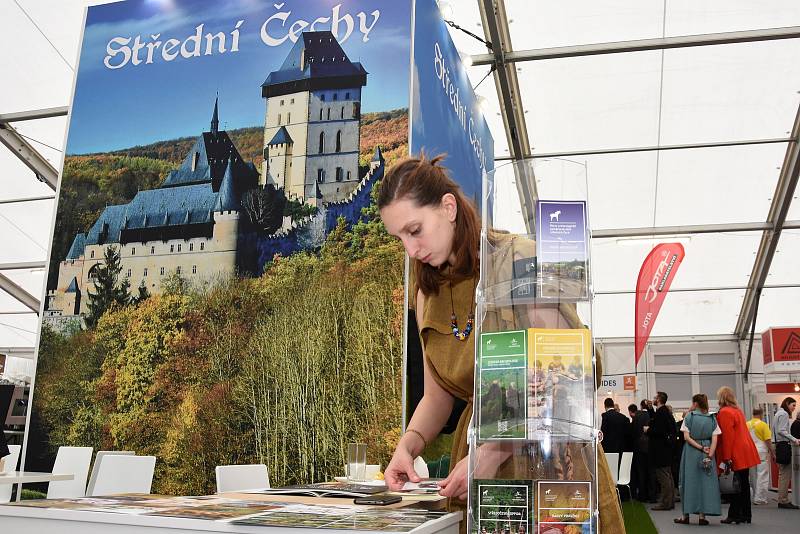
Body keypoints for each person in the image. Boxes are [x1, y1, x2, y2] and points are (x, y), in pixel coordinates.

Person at [377, 155, 625, 533]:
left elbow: (569, 374)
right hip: (479, 468)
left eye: (415, 230)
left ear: (448, 207)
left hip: (552, 463)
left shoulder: (520, 260)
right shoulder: (425, 294)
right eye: (400, 239)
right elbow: (437, 396)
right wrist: (409, 446)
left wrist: (493, 452)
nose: (411, 251)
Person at [715, 386, 760, 524]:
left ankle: (734, 514)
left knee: (734, 485)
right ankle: (746, 514)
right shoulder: (737, 411)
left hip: (735, 452)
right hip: (745, 450)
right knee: (744, 484)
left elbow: (728, 437)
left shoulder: (724, 412)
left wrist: (726, 458)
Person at [674, 394, 721, 525]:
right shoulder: (712, 418)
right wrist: (710, 455)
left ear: (695, 403)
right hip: (707, 451)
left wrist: (700, 447)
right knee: (705, 484)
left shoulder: (689, 417)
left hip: (691, 452)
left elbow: (686, 438)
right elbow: (715, 439)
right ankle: (702, 516)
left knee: (687, 482)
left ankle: (685, 515)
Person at [648, 391, 676, 510]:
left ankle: (665, 503)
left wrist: (647, 430)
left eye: (655, 398)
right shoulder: (664, 412)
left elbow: (658, 431)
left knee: (663, 477)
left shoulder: (661, 413)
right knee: (668, 476)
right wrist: (650, 409)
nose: (653, 399)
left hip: (660, 450)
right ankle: (670, 501)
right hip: (666, 450)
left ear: (659, 399)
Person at [772, 397, 800, 509]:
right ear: (787, 404)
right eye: (793, 405)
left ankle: (782, 498)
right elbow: (781, 430)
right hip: (783, 445)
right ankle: (783, 500)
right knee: (785, 474)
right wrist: (794, 439)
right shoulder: (783, 414)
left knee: (782, 473)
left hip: (778, 445)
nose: (794, 408)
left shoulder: (778, 413)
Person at [746, 408, 774, 505]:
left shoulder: (746, 424)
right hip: (761, 451)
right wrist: (772, 452)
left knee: (753, 475)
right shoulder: (763, 425)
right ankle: (760, 497)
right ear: (761, 414)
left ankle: (754, 495)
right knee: (762, 474)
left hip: (749, 451)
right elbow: (768, 440)